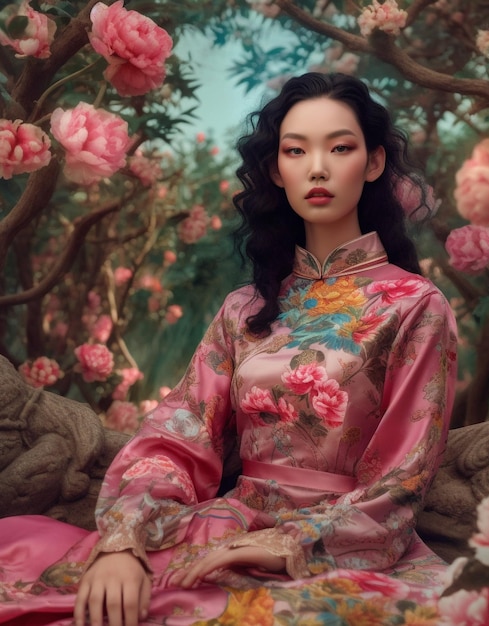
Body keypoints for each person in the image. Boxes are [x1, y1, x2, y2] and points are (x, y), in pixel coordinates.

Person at [0, 72, 457, 626]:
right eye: (296, 151)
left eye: (341, 148)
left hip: (339, 545)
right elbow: (178, 432)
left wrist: (288, 546)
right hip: (228, 523)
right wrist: (124, 538)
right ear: (276, 170)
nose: (318, 167)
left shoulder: (414, 304)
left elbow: (403, 478)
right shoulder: (244, 308)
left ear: (375, 162)